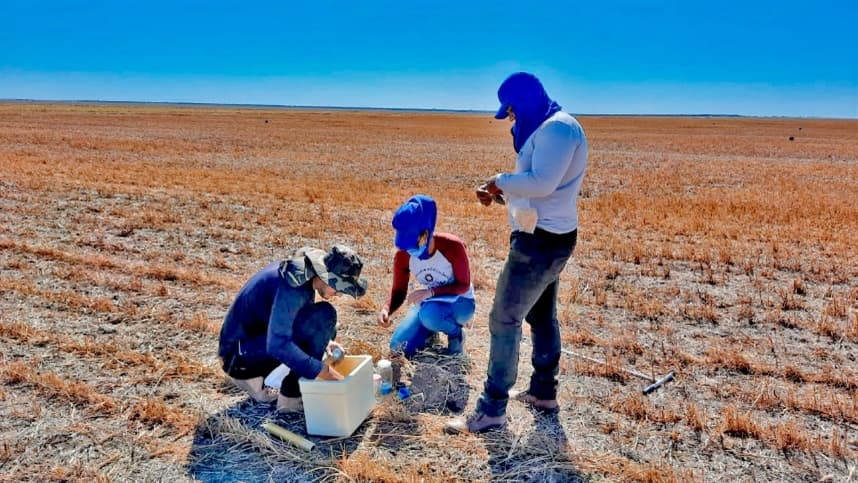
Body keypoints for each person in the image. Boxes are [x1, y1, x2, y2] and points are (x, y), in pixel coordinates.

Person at [446, 72, 588, 433]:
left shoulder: (558, 128)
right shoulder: (547, 127)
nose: (509, 118)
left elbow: (542, 183)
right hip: (541, 234)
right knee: (540, 316)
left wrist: (499, 181)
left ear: (522, 102)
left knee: (503, 319)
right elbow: (538, 188)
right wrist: (501, 196)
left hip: (541, 242)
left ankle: (492, 408)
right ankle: (543, 392)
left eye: (510, 110)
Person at [218, 245, 368, 412]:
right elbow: (278, 345)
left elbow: (289, 319)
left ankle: (254, 379)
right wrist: (326, 373)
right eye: (339, 287)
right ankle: (290, 397)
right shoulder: (293, 287)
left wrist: (327, 342)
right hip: (238, 357)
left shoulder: (302, 275)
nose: (340, 294)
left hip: (243, 349)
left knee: (325, 327)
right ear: (325, 276)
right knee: (324, 318)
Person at [378, 195, 475, 357]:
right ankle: (430, 332)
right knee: (398, 346)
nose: (409, 251)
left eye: (413, 243)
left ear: (426, 234)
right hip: (430, 304)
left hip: (460, 302)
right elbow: (399, 291)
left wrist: (431, 292)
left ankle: (456, 335)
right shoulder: (403, 255)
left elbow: (463, 285)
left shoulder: (452, 246)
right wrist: (387, 308)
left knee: (429, 315)